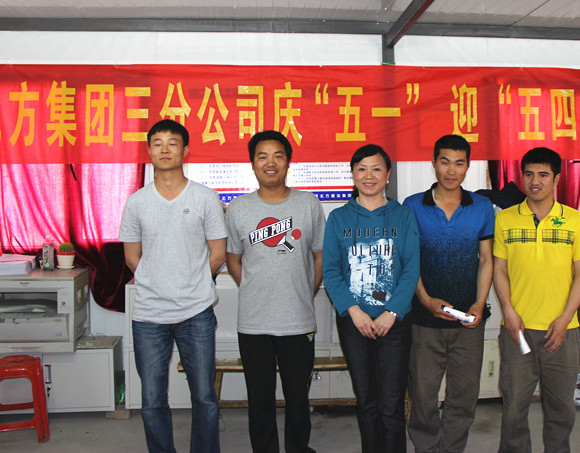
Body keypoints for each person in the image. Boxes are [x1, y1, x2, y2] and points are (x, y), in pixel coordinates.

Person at [119, 119, 227, 453]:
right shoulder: (137, 202)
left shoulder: (205, 197)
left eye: (172, 143)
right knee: (152, 400)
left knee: (204, 396)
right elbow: (132, 257)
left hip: (196, 312)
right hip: (149, 315)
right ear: (149, 150)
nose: (165, 149)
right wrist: (158, 282)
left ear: (185, 150)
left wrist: (193, 283)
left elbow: (218, 253)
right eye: (158, 143)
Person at [224, 130, 325, 453]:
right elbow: (233, 258)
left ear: (288, 162)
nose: (271, 163)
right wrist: (252, 286)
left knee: (298, 398)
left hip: (298, 320)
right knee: (260, 400)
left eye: (278, 156)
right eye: (262, 156)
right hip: (253, 323)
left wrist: (305, 291)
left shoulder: (308, 204)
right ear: (253, 164)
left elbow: (320, 255)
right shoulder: (238, 208)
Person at [492, 147, 580, 453]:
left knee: (561, 410)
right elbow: (499, 270)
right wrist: (509, 312)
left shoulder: (575, 221)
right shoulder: (505, 219)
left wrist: (564, 319)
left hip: (561, 332)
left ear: (556, 179)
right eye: (529, 174)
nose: (535, 181)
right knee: (513, 408)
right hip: (517, 331)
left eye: (543, 175)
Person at [322, 144, 420, 453]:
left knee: (392, 404)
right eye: (362, 169)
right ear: (352, 174)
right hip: (354, 322)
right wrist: (354, 311)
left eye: (377, 169)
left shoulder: (403, 216)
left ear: (388, 175)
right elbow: (331, 271)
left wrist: (392, 312)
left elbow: (411, 269)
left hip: (395, 323)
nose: (369, 175)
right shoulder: (338, 218)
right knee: (366, 402)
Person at [403, 134, 495, 453]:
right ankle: (427, 448)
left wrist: (480, 303)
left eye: (459, 163)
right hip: (424, 321)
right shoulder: (413, 205)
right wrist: (426, 300)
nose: (451, 170)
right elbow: (408, 259)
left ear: (467, 166)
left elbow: (486, 259)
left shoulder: (481, 207)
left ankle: (453, 448)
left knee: (463, 396)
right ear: (433, 163)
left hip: (468, 321)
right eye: (445, 162)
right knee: (422, 395)